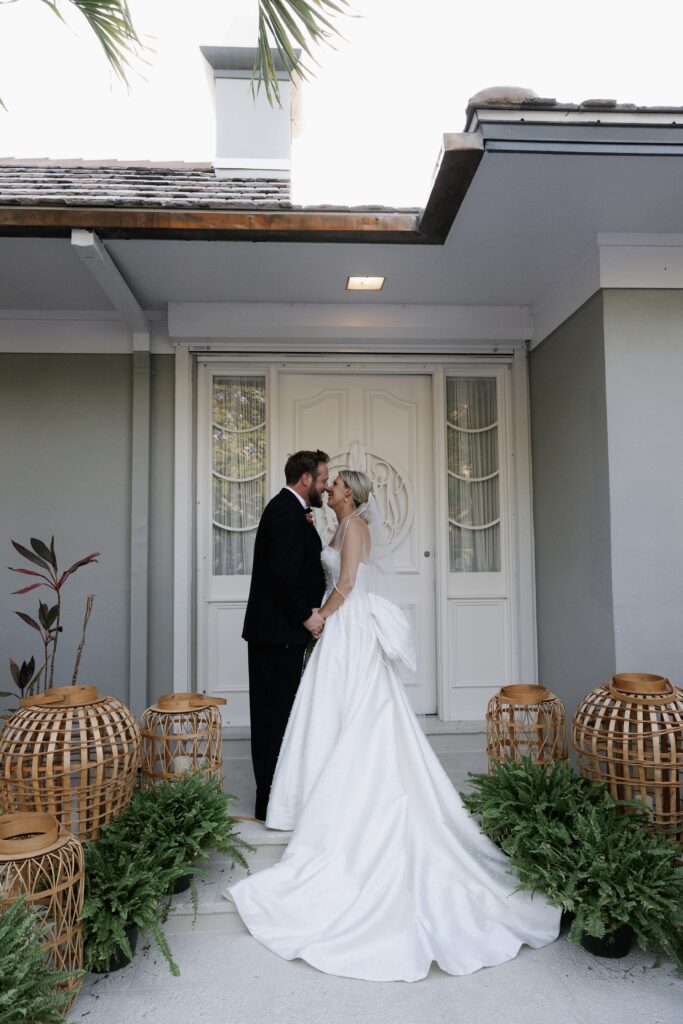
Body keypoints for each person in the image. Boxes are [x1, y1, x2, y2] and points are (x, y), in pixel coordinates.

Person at [230, 470, 561, 982]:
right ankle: (317, 794)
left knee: (361, 712)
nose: (330, 487)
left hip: (349, 627)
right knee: (326, 714)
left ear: (352, 495)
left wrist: (321, 617)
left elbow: (347, 583)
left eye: (337, 483)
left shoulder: (355, 529)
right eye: (330, 481)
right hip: (338, 630)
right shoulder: (334, 530)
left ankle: (353, 794)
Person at [242, 449, 330, 822]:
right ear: (306, 479)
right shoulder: (284, 511)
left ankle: (279, 797)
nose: (326, 487)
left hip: (280, 634)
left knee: (281, 717)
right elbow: (283, 573)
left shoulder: (293, 511)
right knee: (273, 719)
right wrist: (306, 617)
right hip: (278, 634)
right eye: (323, 479)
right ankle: (269, 803)